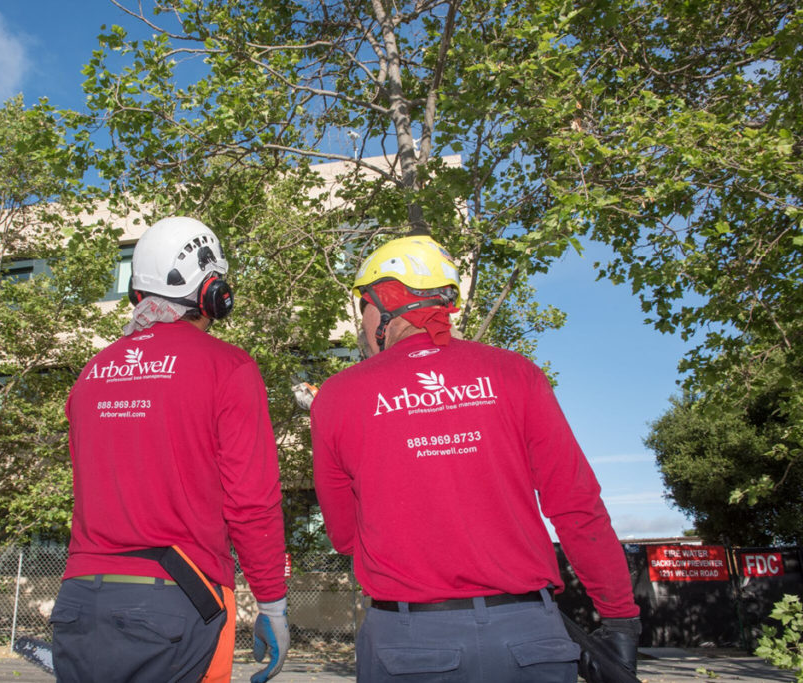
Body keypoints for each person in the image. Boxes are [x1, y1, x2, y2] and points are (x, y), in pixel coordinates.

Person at [310, 235, 640, 683]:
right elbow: (577, 504)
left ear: (386, 301)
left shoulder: (338, 395)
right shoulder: (515, 372)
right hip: (531, 636)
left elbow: (346, 536)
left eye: (364, 305)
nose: (362, 322)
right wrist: (620, 617)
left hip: (409, 644)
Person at [52, 216, 289, 683]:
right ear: (213, 292)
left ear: (139, 293)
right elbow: (252, 502)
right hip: (179, 601)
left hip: (79, 600)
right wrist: (272, 603)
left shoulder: (91, 374)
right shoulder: (228, 367)